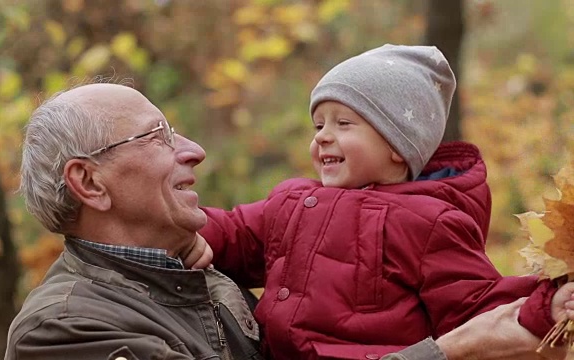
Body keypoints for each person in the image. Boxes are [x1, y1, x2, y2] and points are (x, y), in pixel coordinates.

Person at [198, 44, 574, 359]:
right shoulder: (294, 202)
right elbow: (233, 233)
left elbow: (476, 305)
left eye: (344, 124)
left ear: (398, 147)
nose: (324, 137)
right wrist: (174, 221)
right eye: (319, 125)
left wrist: (547, 306)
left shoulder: (429, 221)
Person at [5, 83, 263, 360]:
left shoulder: (208, 278)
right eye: (157, 136)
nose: (195, 151)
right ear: (90, 182)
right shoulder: (58, 332)